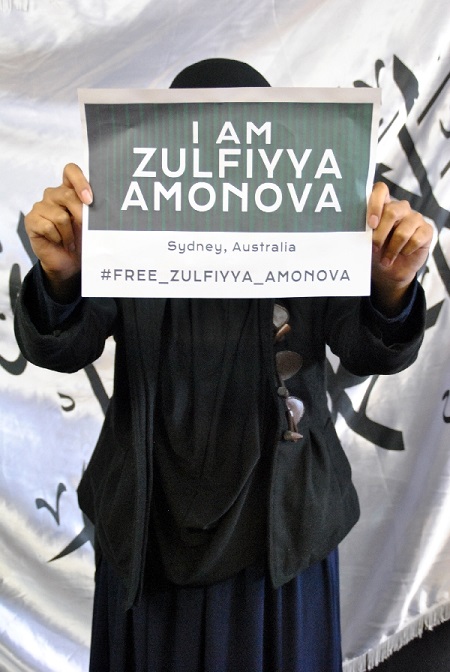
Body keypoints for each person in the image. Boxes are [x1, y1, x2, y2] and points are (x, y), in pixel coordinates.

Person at [14, 59, 433, 672]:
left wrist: (391, 286)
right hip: (148, 536)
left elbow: (369, 348)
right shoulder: (128, 218)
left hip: (284, 538)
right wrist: (60, 277)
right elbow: (60, 346)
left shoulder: (314, 214)